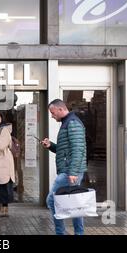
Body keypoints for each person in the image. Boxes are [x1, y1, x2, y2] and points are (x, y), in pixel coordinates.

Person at [41, 99, 87, 235]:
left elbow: (78, 149)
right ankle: (79, 233)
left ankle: (61, 233)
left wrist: (72, 172)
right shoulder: (67, 123)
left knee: (51, 200)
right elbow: (65, 150)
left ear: (61, 109)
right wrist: (51, 146)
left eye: (53, 112)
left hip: (70, 171)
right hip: (70, 170)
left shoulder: (72, 123)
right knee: (74, 203)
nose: (52, 116)